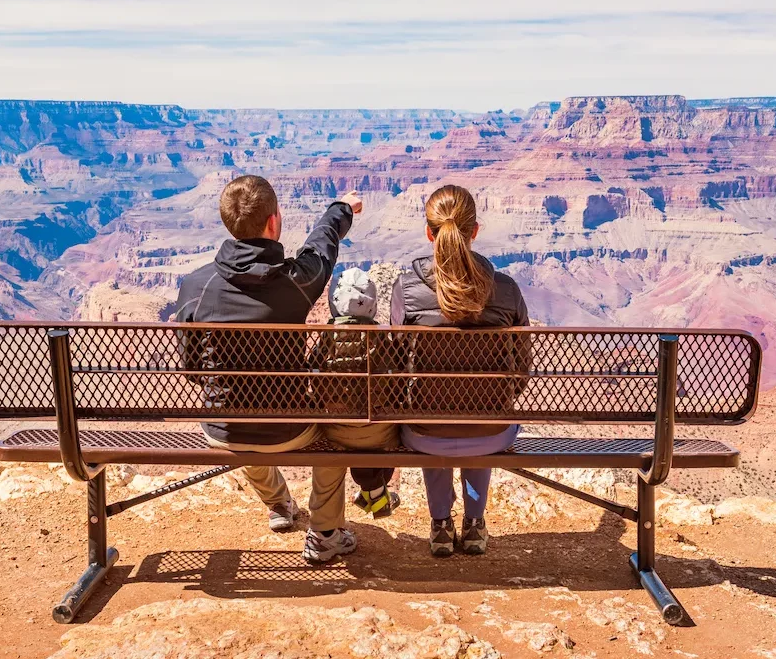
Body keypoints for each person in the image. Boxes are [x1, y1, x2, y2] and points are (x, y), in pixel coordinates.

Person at [174, 175, 394, 564]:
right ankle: (325, 532)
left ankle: (279, 505)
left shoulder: (197, 285)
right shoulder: (296, 280)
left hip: (224, 429)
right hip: (288, 427)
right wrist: (341, 209)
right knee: (336, 428)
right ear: (273, 223)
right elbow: (321, 249)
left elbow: (192, 369)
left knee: (241, 423)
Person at [389, 184, 530, 557]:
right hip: (492, 431)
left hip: (425, 432)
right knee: (477, 410)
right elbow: (522, 368)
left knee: (431, 409)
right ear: (475, 231)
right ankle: (474, 524)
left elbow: (395, 363)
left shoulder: (407, 289)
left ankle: (440, 525)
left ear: (429, 233)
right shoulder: (506, 289)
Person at [313, 268, 399, 518]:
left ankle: (372, 493)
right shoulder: (381, 341)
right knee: (379, 429)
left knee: (354, 429)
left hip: (335, 429)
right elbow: (395, 385)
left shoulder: (326, 340)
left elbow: (315, 382)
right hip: (380, 432)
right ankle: (374, 493)